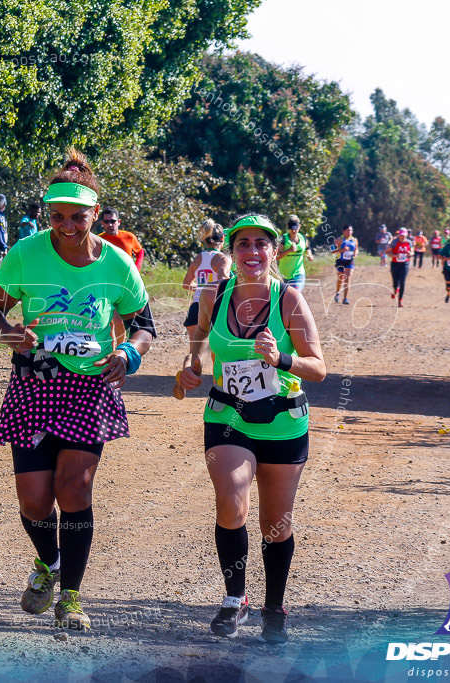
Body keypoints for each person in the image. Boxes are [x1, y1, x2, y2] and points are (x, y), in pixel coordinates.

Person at [0, 149, 157, 632]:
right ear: (47, 215)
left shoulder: (118, 263)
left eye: (78, 217)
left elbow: (143, 324)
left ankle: (72, 597)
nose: (67, 225)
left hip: (88, 386)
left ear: (94, 215)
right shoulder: (25, 253)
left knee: (73, 488)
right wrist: (7, 332)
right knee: (34, 502)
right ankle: (49, 565)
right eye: (57, 216)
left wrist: (129, 354)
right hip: (34, 384)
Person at [175, 213, 326, 644]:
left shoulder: (290, 301)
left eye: (262, 244)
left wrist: (282, 359)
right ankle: (234, 597)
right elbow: (199, 336)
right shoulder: (214, 293)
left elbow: (318, 368)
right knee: (231, 503)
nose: (253, 251)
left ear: (274, 252)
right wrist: (192, 366)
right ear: (232, 250)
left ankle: (273, 605)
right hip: (228, 417)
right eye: (244, 243)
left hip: (282, 421)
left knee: (275, 522)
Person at [181, 219, 231, 339]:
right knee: (214, 351)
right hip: (213, 307)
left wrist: (201, 288)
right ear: (222, 239)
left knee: (194, 353)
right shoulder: (223, 258)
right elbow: (223, 279)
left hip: (196, 307)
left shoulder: (197, 258)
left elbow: (186, 284)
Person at [277, 215, 314, 290]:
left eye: (295, 228)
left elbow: (309, 254)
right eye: (291, 228)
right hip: (284, 275)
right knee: (284, 298)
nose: (293, 231)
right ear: (287, 227)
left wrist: (310, 256)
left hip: (298, 274)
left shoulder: (303, 239)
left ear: (299, 226)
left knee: (295, 294)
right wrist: (288, 251)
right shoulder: (283, 239)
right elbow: (277, 257)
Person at [388, 228, 412, 307]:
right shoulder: (394, 242)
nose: (402, 237)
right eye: (401, 235)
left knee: (402, 282)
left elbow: (412, 252)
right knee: (395, 281)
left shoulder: (409, 242)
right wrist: (395, 255)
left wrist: (410, 254)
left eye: (404, 235)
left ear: (406, 235)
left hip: (405, 264)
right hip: (395, 264)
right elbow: (387, 252)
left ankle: (400, 301)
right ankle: (395, 289)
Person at [332, 226, 357, 305]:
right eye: (348, 230)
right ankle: (337, 293)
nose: (350, 232)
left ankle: (345, 298)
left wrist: (356, 253)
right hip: (340, 261)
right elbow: (332, 251)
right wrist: (342, 250)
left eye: (351, 230)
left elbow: (356, 249)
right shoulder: (339, 240)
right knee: (341, 278)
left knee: (348, 278)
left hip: (349, 261)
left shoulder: (354, 240)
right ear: (343, 231)